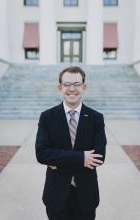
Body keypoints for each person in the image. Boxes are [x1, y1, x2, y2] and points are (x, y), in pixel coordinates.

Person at [35, 66, 107, 220]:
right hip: (56, 194)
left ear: (84, 87)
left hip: (86, 194)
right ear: (60, 87)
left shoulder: (96, 118)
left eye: (76, 84)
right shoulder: (47, 117)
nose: (72, 89)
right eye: (67, 84)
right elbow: (41, 154)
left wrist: (57, 161)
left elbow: (99, 157)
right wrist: (81, 158)